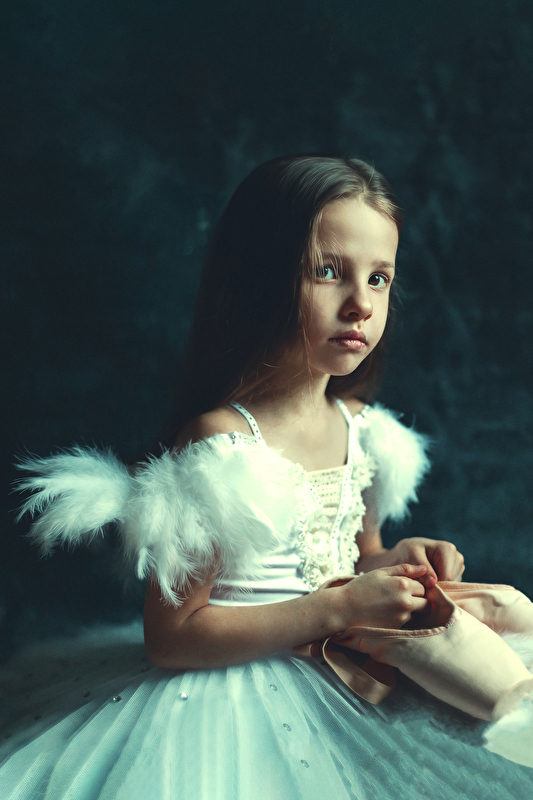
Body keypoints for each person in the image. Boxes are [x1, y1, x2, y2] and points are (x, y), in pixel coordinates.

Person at [1, 155, 532, 799]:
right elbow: (173, 636)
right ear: (261, 279)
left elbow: (355, 554)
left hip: (347, 680)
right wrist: (337, 607)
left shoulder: (363, 430)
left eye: (380, 278)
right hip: (231, 696)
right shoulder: (223, 446)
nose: (361, 304)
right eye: (328, 271)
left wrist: (395, 562)